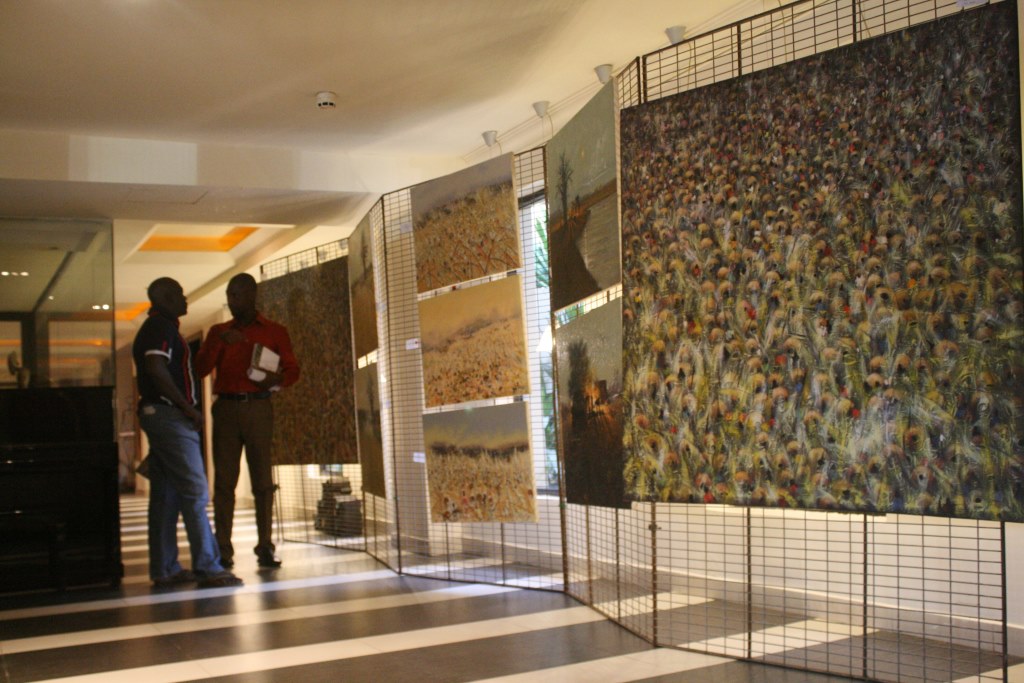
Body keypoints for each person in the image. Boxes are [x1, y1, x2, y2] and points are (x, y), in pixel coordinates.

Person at [133, 277, 242, 589]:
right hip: (169, 416)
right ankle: (209, 567)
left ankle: (165, 568)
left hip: (161, 414)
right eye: (180, 294)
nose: (186, 299)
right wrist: (186, 407)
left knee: (165, 496)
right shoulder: (160, 327)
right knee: (195, 490)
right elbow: (156, 367)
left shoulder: (161, 327)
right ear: (165, 298)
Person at [196, 272, 299, 569]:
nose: (231, 300)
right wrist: (218, 344)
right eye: (229, 295)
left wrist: (275, 381)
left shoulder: (274, 331)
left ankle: (265, 546)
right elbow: (200, 369)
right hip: (226, 409)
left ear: (252, 295)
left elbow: (292, 369)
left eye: (236, 294)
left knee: (263, 482)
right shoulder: (218, 331)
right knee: (224, 483)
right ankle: (223, 549)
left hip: (259, 407)